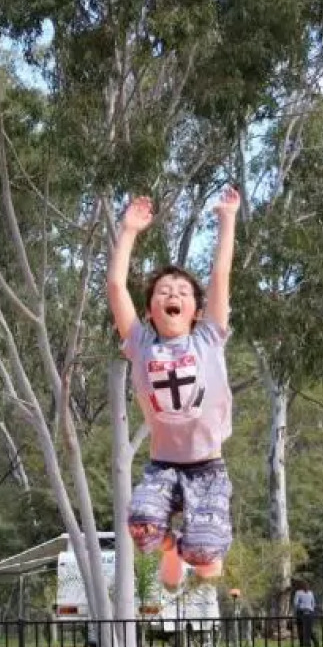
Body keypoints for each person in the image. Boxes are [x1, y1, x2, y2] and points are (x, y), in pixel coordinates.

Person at [107, 186, 240, 590]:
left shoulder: (209, 337)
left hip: (207, 470)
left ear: (197, 312)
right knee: (141, 526)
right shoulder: (140, 343)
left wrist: (227, 219)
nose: (173, 295)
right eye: (164, 292)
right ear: (150, 311)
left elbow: (220, 276)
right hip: (163, 465)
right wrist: (128, 230)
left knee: (205, 563)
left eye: (182, 293)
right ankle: (169, 548)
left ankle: (191, 554)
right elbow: (115, 287)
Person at [292, 579, 318, 647]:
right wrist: (311, 610)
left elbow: (295, 603)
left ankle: (302, 644)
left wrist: (297, 610)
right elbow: (314, 603)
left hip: (301, 612)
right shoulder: (310, 593)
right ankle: (315, 642)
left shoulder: (298, 592)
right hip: (310, 612)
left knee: (300, 628)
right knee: (308, 628)